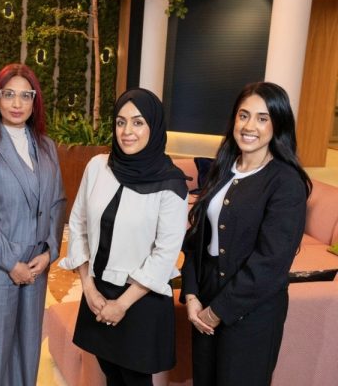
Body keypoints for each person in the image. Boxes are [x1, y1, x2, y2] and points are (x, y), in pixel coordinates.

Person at [181, 82, 311, 386]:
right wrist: (190, 295)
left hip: (253, 312)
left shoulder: (286, 182)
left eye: (262, 118)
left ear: (277, 125)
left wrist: (218, 312)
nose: (250, 126)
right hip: (206, 297)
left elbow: (270, 263)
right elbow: (195, 240)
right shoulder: (223, 169)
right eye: (244, 115)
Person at [59, 88, 189, 386]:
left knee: (134, 380)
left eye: (138, 122)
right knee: (111, 375)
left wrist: (122, 304)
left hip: (141, 298)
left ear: (154, 127)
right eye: (120, 122)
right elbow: (77, 224)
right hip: (99, 291)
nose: (127, 131)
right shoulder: (97, 167)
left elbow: (164, 254)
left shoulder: (171, 183)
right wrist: (88, 288)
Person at [0, 63, 66, 385]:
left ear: (35, 102)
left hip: (36, 264)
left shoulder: (46, 146)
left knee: (27, 349)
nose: (17, 104)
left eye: (25, 96)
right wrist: (12, 264)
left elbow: (57, 201)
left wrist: (49, 251)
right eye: (9, 95)